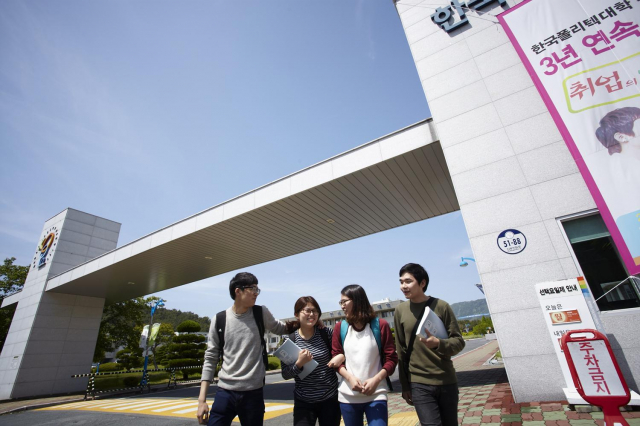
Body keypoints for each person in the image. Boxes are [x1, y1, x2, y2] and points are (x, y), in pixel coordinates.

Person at [197, 272, 297, 426]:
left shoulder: (260, 313)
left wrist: (309, 321)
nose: (256, 293)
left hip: (253, 393)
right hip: (225, 391)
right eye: (252, 289)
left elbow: (282, 328)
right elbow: (210, 358)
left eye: (257, 289)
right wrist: (202, 400)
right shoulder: (219, 320)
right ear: (238, 291)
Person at [394, 263, 465, 426]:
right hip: (419, 382)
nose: (403, 286)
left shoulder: (441, 306)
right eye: (401, 282)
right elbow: (401, 350)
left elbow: (458, 341)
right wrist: (405, 385)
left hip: (446, 380)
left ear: (422, 283)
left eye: (408, 281)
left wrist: (438, 343)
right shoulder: (400, 310)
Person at [332, 285, 398, 426]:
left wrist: (376, 380)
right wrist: (350, 378)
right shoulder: (340, 328)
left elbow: (391, 359)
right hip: (348, 396)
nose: (342, 306)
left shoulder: (380, 325)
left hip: (376, 393)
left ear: (357, 300)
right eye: (340, 302)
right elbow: (336, 358)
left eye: (345, 301)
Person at [281, 296, 343, 426]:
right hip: (303, 402)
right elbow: (285, 374)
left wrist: (342, 356)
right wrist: (299, 363)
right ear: (297, 314)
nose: (312, 314)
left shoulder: (326, 333)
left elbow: (342, 352)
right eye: (307, 311)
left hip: (330, 399)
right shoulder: (289, 340)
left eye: (315, 311)